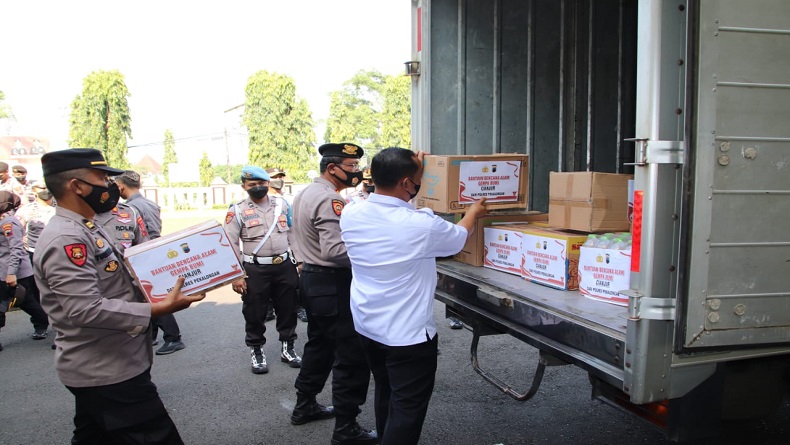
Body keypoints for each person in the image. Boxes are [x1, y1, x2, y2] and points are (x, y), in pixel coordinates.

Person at [34, 148, 204, 444]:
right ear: (77, 186)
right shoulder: (67, 238)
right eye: (101, 178)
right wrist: (157, 309)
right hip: (107, 372)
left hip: (109, 364)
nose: (110, 186)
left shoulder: (87, 225)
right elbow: (85, 310)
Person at [340, 147, 487, 445]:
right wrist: (472, 212)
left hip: (368, 325)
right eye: (418, 179)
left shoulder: (353, 211)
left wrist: (413, 169)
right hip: (407, 336)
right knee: (407, 408)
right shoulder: (420, 226)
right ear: (407, 183)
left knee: (386, 391)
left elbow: (401, 213)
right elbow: (457, 238)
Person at [290, 142, 376, 445]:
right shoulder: (329, 200)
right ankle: (346, 426)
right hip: (333, 281)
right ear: (332, 168)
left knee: (320, 345)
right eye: (351, 167)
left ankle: (305, 404)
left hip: (314, 281)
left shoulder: (305, 193)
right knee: (351, 355)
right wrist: (374, 255)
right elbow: (336, 250)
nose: (356, 172)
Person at [224, 166, 301, 374]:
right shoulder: (237, 210)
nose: (258, 187)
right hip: (254, 269)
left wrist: (299, 261)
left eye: (261, 183)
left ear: (268, 183)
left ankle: (288, 348)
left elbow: (292, 233)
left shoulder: (282, 205)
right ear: (244, 186)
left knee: (288, 308)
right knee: (255, 312)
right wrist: (237, 274)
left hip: (284, 266)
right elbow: (230, 243)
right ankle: (257, 351)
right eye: (252, 185)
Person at [116, 170, 186, 355]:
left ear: (120, 186)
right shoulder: (148, 203)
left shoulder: (130, 209)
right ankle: (152, 335)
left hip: (143, 254)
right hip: (153, 251)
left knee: (152, 297)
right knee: (147, 296)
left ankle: (173, 337)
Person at [0, 191, 50, 350]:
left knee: (29, 303)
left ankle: (54, 323)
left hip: (15, 272)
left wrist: (11, 273)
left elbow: (15, 249)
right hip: (3, 271)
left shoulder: (9, 222)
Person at [266, 167, 307, 324]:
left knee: (295, 281)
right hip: (271, 246)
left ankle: (300, 307)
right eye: (275, 177)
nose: (279, 179)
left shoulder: (290, 198)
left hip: (292, 242)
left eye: (280, 176)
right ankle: (268, 308)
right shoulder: (261, 199)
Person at [16, 180, 57, 262]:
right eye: (42, 188)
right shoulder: (25, 210)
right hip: (32, 253)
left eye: (49, 187)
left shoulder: (63, 208)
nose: (46, 190)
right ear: (33, 190)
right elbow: (18, 231)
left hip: (57, 252)